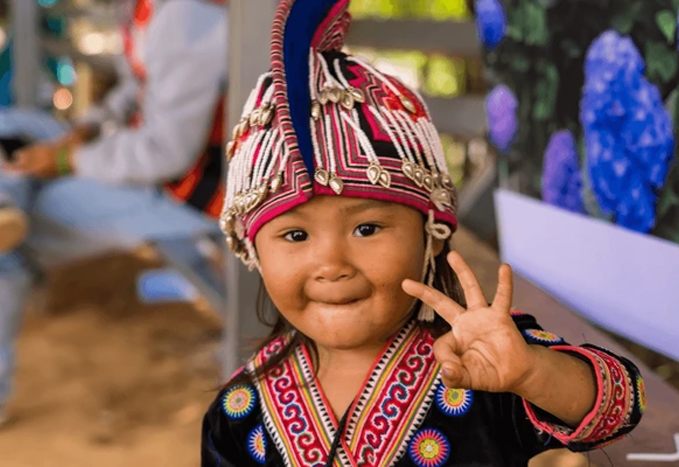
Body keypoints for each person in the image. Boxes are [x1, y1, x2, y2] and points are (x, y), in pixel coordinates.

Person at [201, 0, 645, 465]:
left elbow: (625, 405)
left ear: (431, 233)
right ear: (252, 250)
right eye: (295, 236)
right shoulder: (238, 413)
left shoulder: (483, 359)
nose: (331, 264)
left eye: (367, 228)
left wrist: (533, 372)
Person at [0, 0, 227, 427]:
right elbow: (134, 88)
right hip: (145, 168)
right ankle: (6, 204)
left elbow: (167, 154)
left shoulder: (185, 18)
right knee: (10, 123)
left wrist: (69, 161)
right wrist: (84, 130)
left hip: (186, 194)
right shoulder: (149, 7)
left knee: (8, 246)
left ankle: (10, 210)